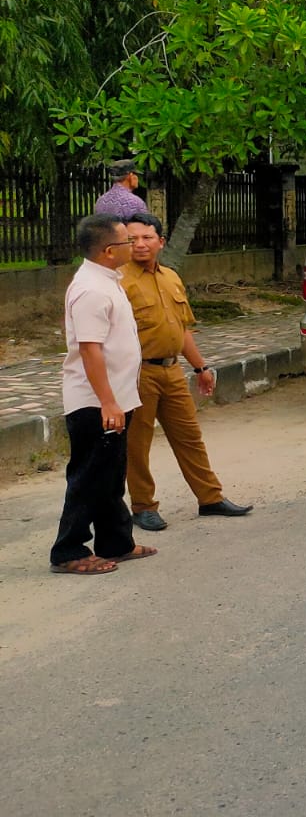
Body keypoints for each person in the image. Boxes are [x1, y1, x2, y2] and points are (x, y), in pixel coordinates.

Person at [119, 212, 252, 530]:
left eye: (146, 237)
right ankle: (143, 505)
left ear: (160, 242)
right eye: (131, 239)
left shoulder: (171, 278)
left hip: (172, 370)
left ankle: (210, 498)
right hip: (138, 374)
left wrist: (201, 367)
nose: (139, 244)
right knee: (138, 443)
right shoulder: (119, 281)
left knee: (190, 436)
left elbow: (182, 330)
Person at [50, 215, 154, 574]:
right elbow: (90, 350)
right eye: (128, 240)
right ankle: (68, 551)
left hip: (116, 399)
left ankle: (116, 542)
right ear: (110, 251)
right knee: (89, 478)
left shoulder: (108, 281)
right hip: (96, 402)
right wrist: (108, 402)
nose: (135, 245)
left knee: (111, 477)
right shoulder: (91, 289)